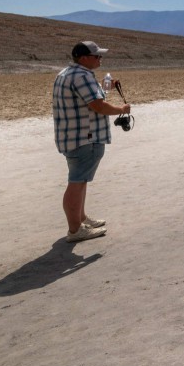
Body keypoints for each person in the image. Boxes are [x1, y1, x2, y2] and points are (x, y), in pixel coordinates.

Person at [52, 41, 131, 243]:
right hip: (86, 137)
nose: (100, 59)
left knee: (80, 180)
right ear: (84, 58)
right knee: (77, 182)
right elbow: (98, 105)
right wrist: (121, 110)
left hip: (71, 136)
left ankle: (80, 217)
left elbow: (86, 96)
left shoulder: (67, 73)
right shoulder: (82, 76)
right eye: (97, 56)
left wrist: (106, 86)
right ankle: (75, 229)